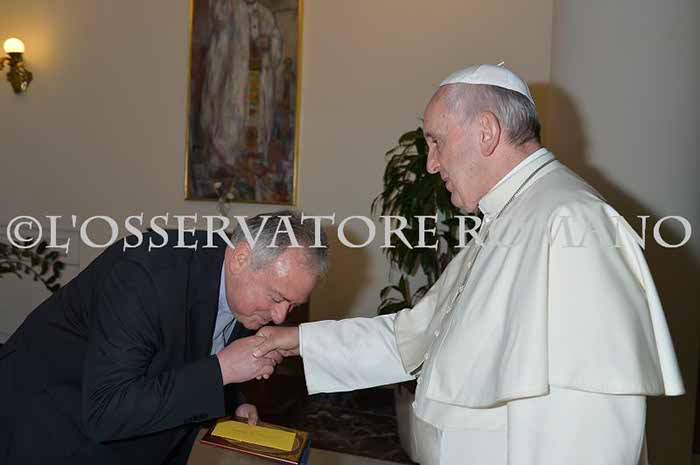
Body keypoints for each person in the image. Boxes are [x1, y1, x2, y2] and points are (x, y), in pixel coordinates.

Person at [252, 64, 685, 465]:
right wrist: (299, 342)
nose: (430, 163)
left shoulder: (572, 222)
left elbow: (588, 428)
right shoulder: (509, 215)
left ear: (486, 132)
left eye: (437, 141)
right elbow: (414, 335)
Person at [0, 210, 327, 465]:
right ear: (241, 258)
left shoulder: (244, 287)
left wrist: (234, 401)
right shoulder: (142, 276)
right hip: (51, 423)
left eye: (293, 305)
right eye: (276, 298)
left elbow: (194, 347)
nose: (280, 317)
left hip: (139, 436)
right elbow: (106, 412)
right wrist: (222, 370)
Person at [201, 0, 283, 178]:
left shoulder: (266, 15)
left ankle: (252, 160)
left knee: (257, 121)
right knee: (231, 117)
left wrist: (269, 44)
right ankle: (227, 161)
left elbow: (276, 52)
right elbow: (218, 20)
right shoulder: (229, 7)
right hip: (235, 79)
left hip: (258, 79)